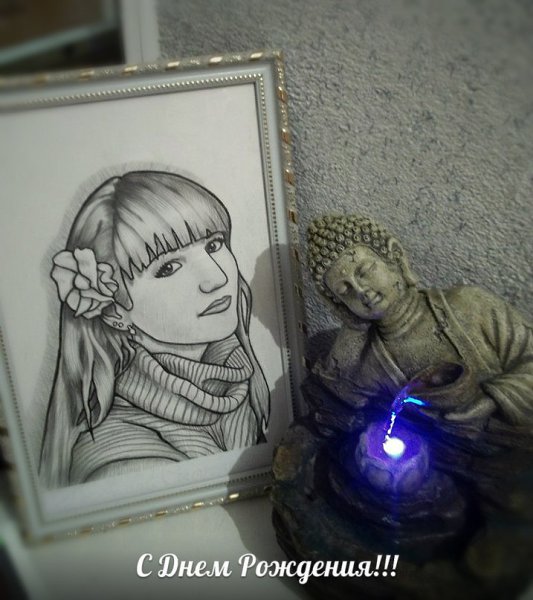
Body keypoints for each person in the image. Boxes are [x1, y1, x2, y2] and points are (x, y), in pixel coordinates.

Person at [40, 171, 270, 488]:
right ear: (116, 313)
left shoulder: (238, 382)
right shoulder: (123, 461)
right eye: (168, 267)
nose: (217, 278)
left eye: (214, 244)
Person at [307, 214, 533, 508]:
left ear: (394, 256)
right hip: (453, 476)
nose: (361, 291)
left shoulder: (471, 306)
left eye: (364, 271)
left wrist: (492, 400)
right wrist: (352, 325)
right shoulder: (371, 359)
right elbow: (332, 405)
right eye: (345, 291)